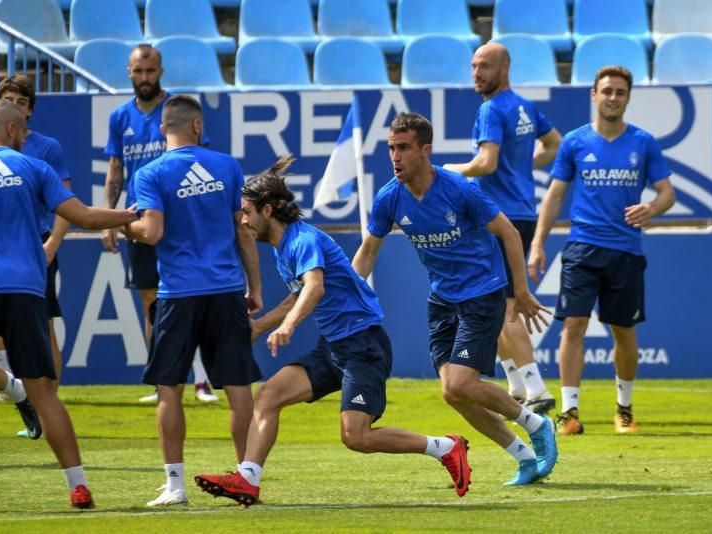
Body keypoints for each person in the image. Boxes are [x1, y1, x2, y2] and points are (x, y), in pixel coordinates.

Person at [194, 156, 471, 507]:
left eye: (247, 211)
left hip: (363, 345)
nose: (243, 220)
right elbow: (298, 292)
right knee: (268, 397)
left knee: (355, 437)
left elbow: (314, 289)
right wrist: (261, 327)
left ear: (267, 210)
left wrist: (290, 326)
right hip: (334, 347)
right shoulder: (286, 247)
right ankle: (248, 480)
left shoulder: (302, 241)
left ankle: (446, 447)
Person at [0, 100, 139, 511]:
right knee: (44, 393)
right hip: (26, 290)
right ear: (15, 130)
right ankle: (78, 486)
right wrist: (129, 215)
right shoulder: (33, 168)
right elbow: (85, 217)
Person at [353, 112, 558, 486]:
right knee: (453, 392)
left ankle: (538, 423)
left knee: (462, 384)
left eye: (403, 148)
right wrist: (349, 295)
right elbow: (368, 251)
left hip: (482, 294)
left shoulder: (459, 189)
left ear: (425, 151)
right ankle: (524, 457)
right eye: (391, 149)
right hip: (442, 300)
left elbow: (509, 234)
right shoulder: (389, 198)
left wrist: (523, 290)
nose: (395, 157)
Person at [122, 95, 263, 507]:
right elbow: (244, 233)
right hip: (224, 291)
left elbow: (151, 233)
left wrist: (127, 227)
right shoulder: (227, 166)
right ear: (197, 126)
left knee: (169, 389)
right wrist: (254, 287)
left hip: (178, 294)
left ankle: (175, 486)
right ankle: (246, 480)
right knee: (239, 389)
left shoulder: (149, 174)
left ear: (163, 128)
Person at [528, 66, 675, 436]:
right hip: (582, 248)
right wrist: (538, 242)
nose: (613, 97)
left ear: (627, 98)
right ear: (594, 95)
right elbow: (556, 194)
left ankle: (623, 408)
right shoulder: (575, 142)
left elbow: (667, 193)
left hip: (625, 251)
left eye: (620, 92)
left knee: (623, 330)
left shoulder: (643, 143)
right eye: (606, 90)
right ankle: (569, 412)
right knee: (573, 325)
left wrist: (652, 208)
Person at [444, 42, 563, 413]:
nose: (477, 73)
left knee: (505, 304)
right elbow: (555, 144)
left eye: (484, 67)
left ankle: (536, 388)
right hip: (522, 212)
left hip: (498, 217)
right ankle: (514, 384)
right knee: (490, 298)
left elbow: (486, 161)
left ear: (504, 69)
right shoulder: (524, 106)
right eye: (474, 66)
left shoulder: (491, 109)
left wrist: (451, 171)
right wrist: (524, 169)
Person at [102, 44, 217, 404]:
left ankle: (202, 380)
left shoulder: (177, 112)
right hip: (141, 221)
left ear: (161, 72)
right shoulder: (120, 117)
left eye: (150, 71)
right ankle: (164, 378)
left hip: (179, 219)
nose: (144, 78)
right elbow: (116, 170)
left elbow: (201, 160)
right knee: (152, 303)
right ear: (129, 72)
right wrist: (109, 218)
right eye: (138, 71)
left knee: (191, 295)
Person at [0, 76, 71, 429]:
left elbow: (66, 203)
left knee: (43, 325)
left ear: (30, 109)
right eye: (8, 99)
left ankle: (46, 401)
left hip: (36, 244)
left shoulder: (47, 148)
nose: (15, 105)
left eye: (21, 101)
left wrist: (53, 243)